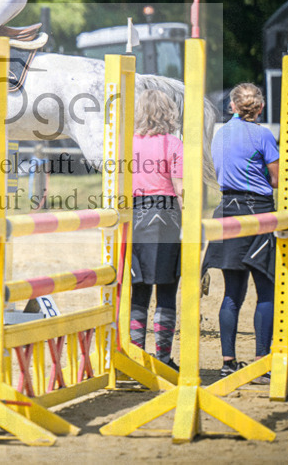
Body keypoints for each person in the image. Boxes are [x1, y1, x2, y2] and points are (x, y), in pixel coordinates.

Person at [202, 83, 279, 382]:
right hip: (257, 211)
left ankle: (228, 361)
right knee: (266, 289)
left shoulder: (220, 134)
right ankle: (261, 361)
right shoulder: (263, 135)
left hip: (227, 211)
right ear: (259, 108)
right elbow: (276, 180)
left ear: (232, 107)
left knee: (233, 293)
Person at [129, 89, 183, 370]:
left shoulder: (127, 144)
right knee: (166, 290)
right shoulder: (173, 143)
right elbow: (180, 187)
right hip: (165, 215)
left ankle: (136, 358)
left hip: (134, 214)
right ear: (167, 112)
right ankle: (163, 359)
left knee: (138, 291)